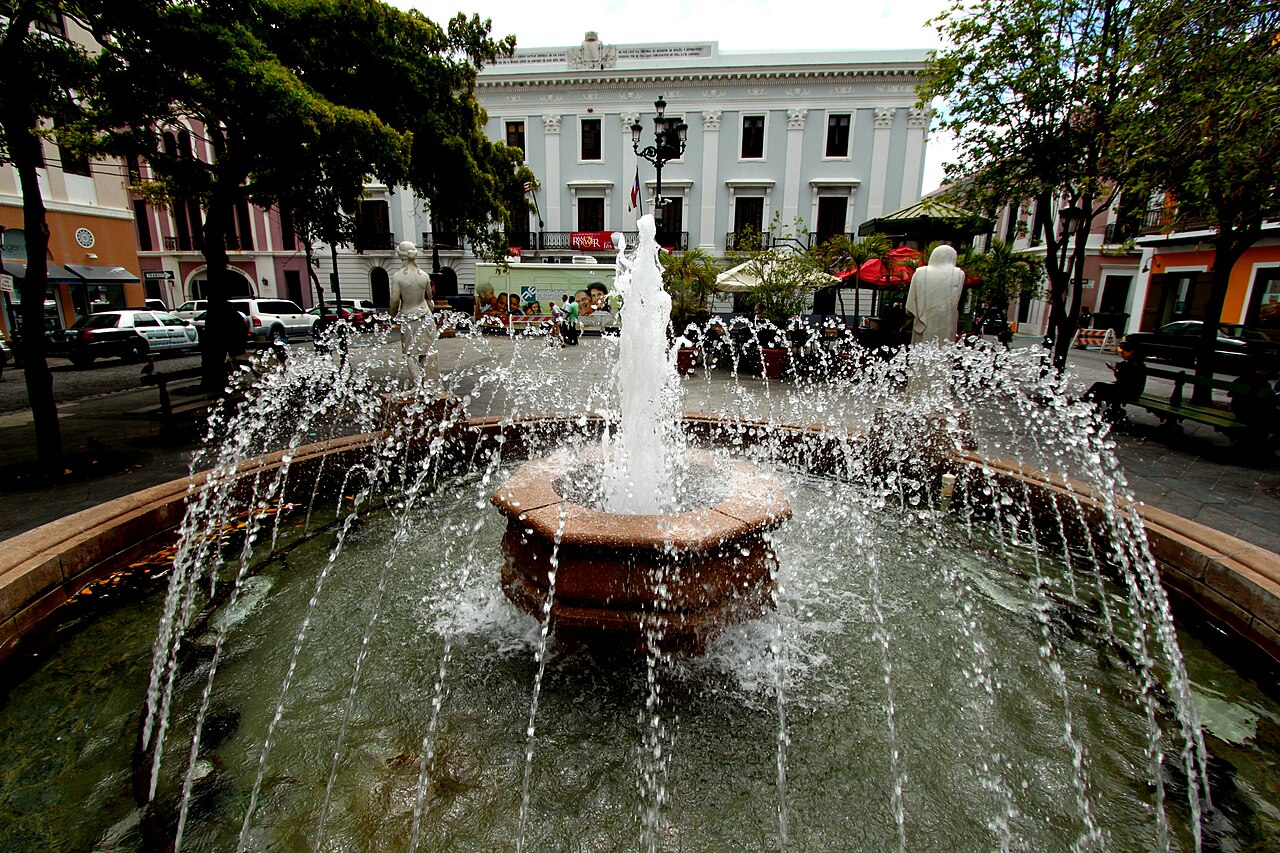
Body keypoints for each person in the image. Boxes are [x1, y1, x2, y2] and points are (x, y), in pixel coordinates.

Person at [389, 240, 437, 387]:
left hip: (409, 318)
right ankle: (426, 385)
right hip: (426, 315)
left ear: (401, 255)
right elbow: (429, 297)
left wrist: (392, 315)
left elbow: (394, 300)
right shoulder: (424, 275)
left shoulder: (397, 277)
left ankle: (417, 386)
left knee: (410, 353)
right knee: (425, 351)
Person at [905, 245, 965, 344]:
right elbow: (954, 303)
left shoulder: (920, 273)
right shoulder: (958, 274)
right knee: (943, 349)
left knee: (921, 350)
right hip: (947, 324)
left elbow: (909, 307)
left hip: (923, 324)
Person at [1083, 340, 1147, 422]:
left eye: (1126, 351)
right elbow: (1126, 381)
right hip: (1131, 391)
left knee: (1098, 387)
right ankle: (1093, 411)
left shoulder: (1130, 365)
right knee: (1099, 389)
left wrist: (1116, 370)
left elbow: (1124, 380)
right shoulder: (1137, 363)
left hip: (1128, 393)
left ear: (1133, 352)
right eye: (1121, 350)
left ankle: (1087, 406)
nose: (1122, 353)